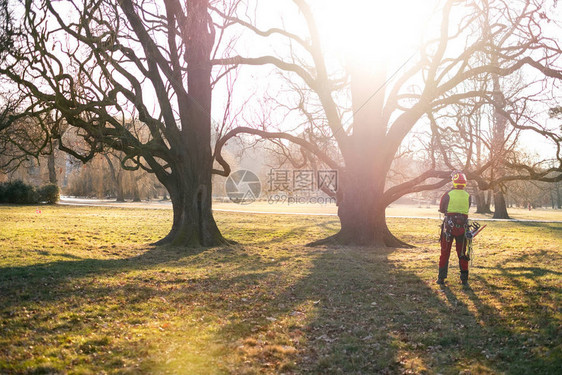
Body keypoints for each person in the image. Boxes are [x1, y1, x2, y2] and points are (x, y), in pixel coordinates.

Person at [437, 172, 472, 285]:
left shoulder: (447, 194)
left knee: (445, 252)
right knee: (462, 253)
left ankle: (441, 278)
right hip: (463, 229)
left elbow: (442, 209)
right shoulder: (468, 195)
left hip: (448, 227)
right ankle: (464, 279)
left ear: (454, 181)